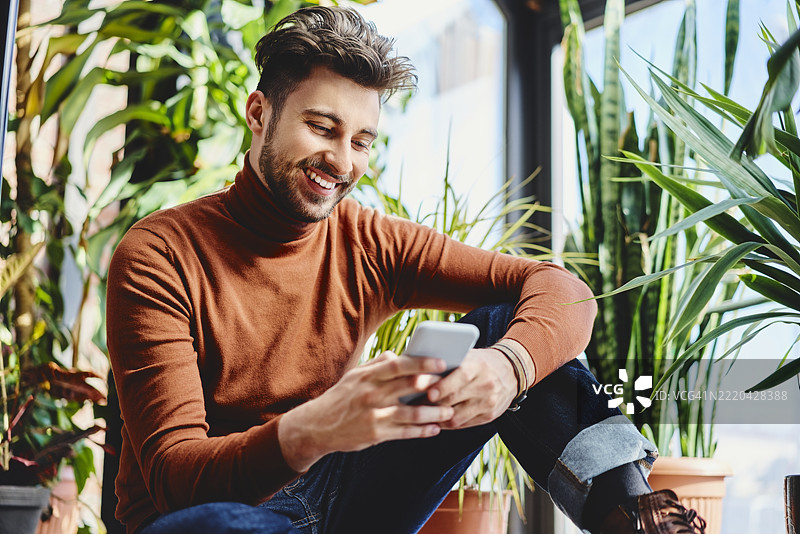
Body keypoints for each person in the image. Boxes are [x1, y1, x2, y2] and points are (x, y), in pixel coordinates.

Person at [106, 6, 707, 534]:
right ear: (260, 113)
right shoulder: (160, 253)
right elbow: (174, 478)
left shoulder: (367, 240)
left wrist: (507, 367)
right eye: (321, 127)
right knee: (212, 525)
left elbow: (563, 291)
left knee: (509, 324)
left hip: (341, 494)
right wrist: (314, 428)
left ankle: (635, 522)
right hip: (209, 514)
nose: (341, 161)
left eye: (361, 141)